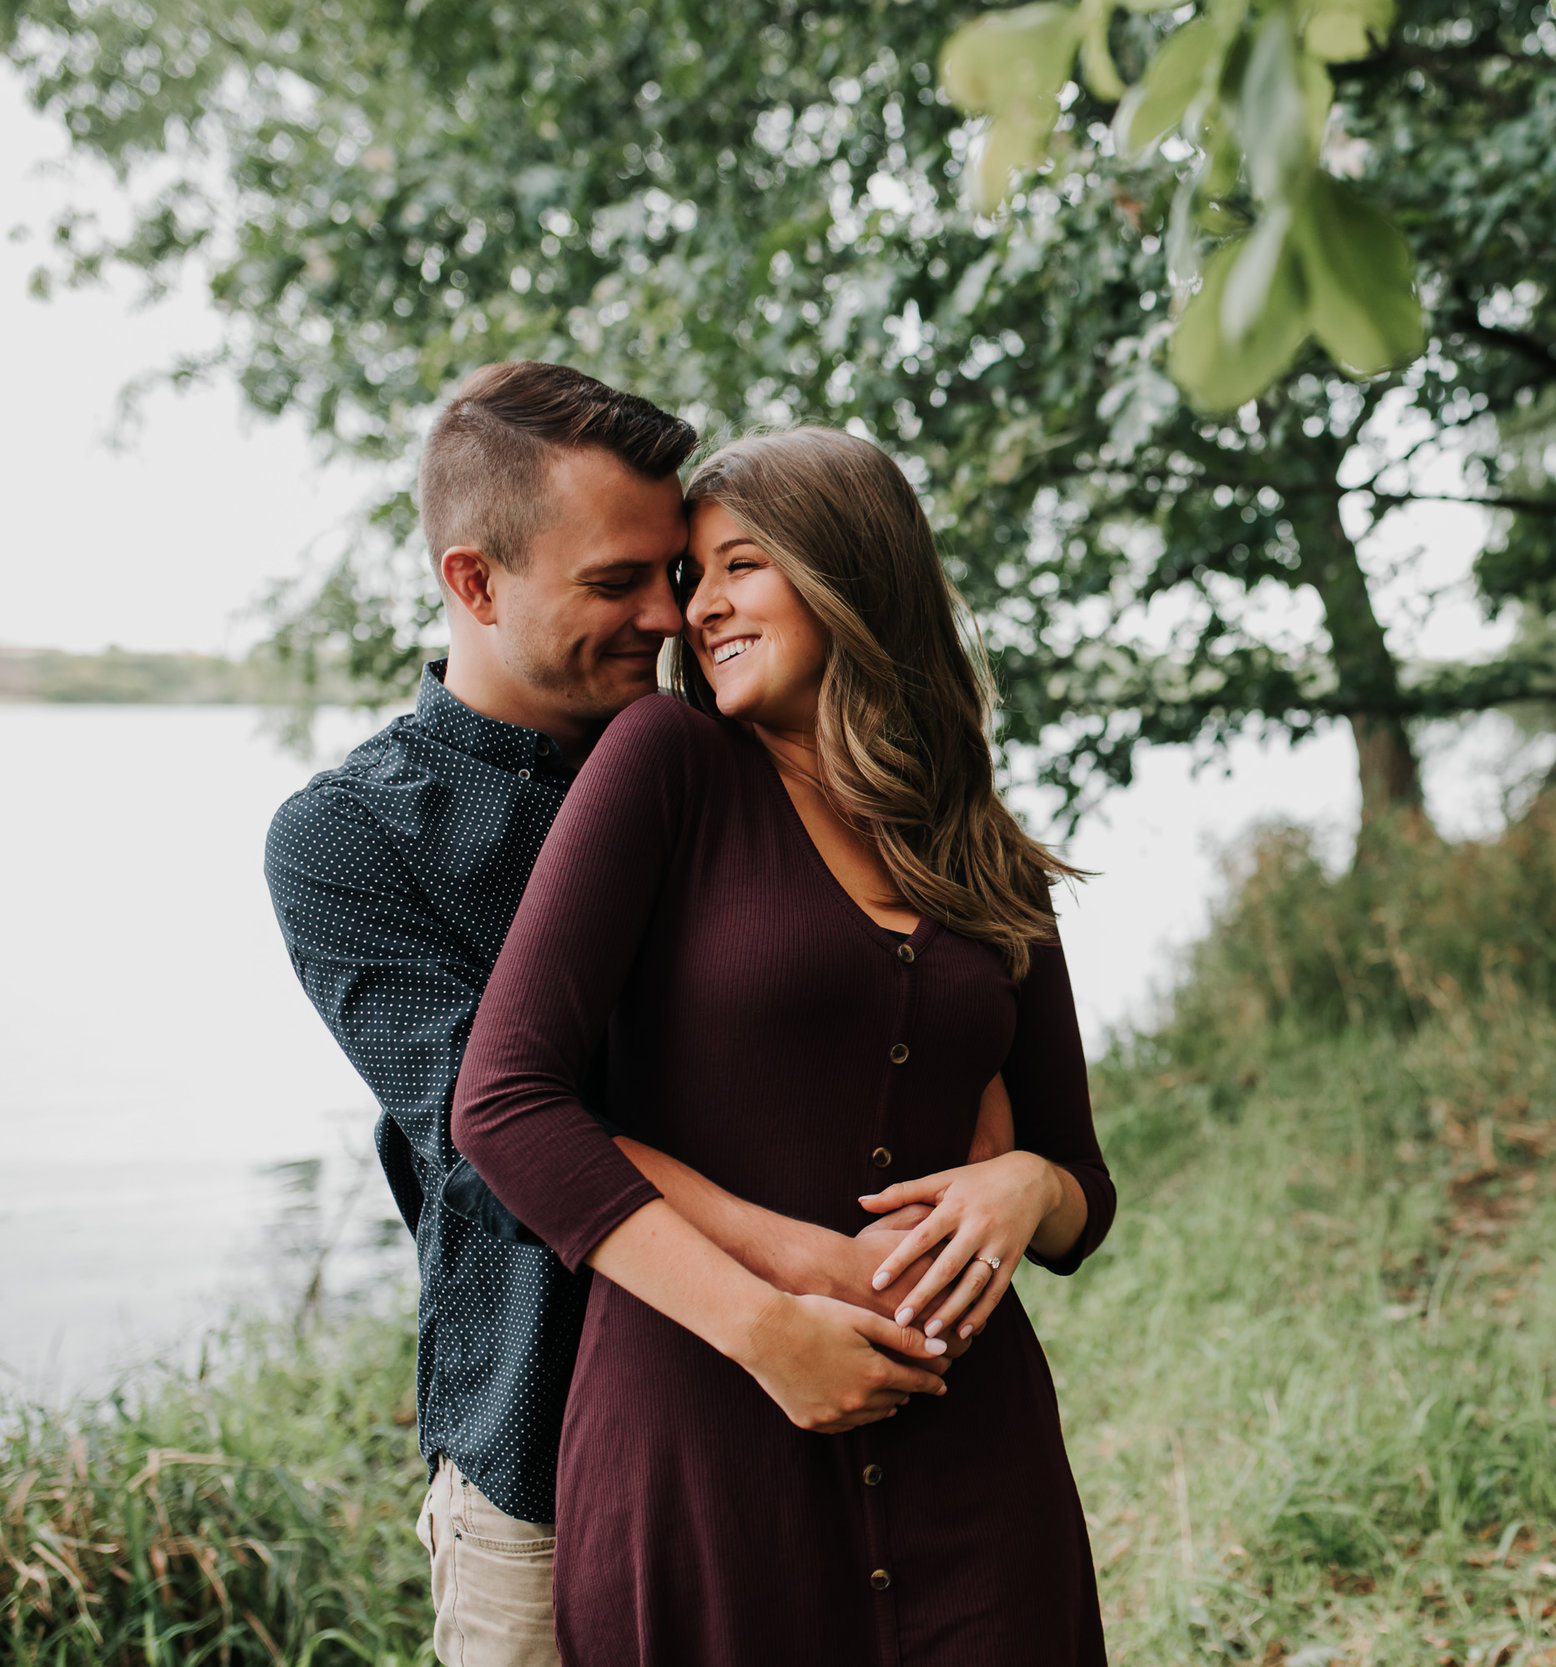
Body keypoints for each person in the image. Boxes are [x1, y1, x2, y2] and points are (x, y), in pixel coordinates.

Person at [267, 364, 1003, 1667]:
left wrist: (1026, 1176)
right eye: (620, 583)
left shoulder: (729, 756)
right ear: (475, 582)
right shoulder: (350, 837)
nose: (668, 614)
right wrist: (799, 1276)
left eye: (678, 572)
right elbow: (499, 1127)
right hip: (541, 1436)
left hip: (814, 1409)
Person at [449, 426, 1116, 1664]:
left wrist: (1026, 1187)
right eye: (693, 578)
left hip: (971, 1461)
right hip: (706, 1443)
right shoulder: (669, 766)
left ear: (848, 569)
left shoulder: (983, 845)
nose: (697, 610)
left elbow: (1086, 1192)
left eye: (737, 565)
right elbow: (503, 1100)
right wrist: (765, 1325)